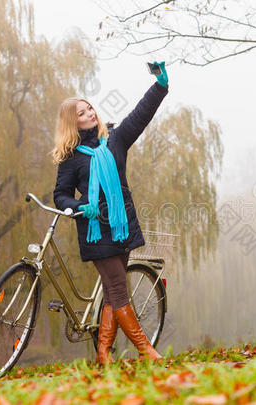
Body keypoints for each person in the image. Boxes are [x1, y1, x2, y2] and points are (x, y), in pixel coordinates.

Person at [50, 61, 169, 366]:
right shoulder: (72, 158)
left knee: (111, 292)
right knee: (118, 287)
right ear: (71, 123)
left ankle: (103, 353)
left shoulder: (115, 139)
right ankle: (146, 350)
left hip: (120, 226)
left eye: (90, 109)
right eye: (81, 113)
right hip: (94, 229)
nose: (90, 114)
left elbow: (140, 115)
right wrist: (78, 207)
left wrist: (160, 86)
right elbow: (60, 194)